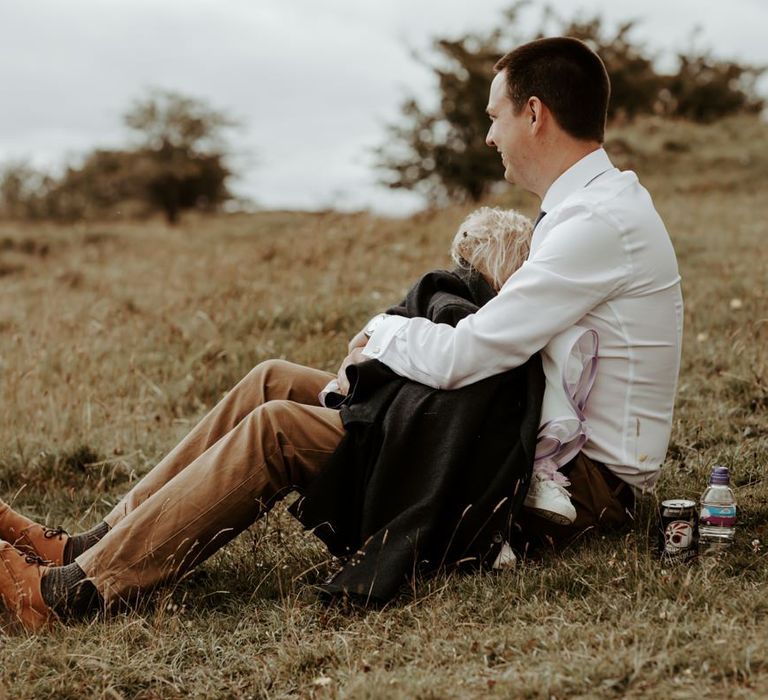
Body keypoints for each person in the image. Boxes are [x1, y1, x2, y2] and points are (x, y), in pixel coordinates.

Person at [0, 36, 682, 631]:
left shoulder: (596, 224)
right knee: (271, 378)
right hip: (518, 427)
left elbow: (472, 353)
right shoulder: (589, 208)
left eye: (495, 117)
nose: (489, 136)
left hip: (573, 484)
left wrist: (382, 337)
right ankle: (90, 546)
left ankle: (74, 595)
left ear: (535, 114)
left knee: (279, 430)